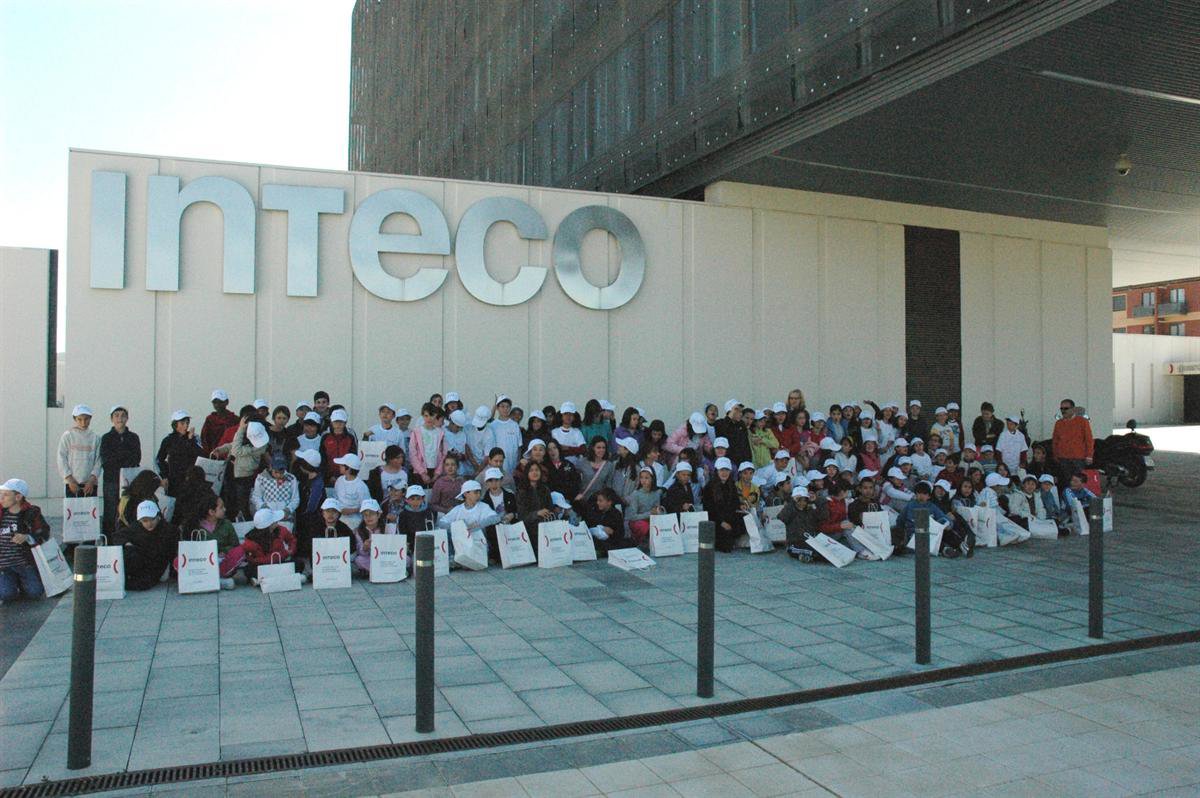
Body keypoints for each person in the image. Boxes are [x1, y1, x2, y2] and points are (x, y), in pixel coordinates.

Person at [0, 478, 50, 602]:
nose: (2, 498)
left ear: (18, 497)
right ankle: (13, 582)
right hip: (4, 566)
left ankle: (22, 581)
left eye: (6, 495)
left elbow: (44, 532)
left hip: (25, 563)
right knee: (6, 595)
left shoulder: (31, 513)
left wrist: (28, 537)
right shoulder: (1, 512)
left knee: (35, 592)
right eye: (1, 494)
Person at [182, 493, 244, 589]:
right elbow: (188, 549)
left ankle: (209, 581)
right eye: (221, 507)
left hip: (221, 561)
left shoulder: (226, 524)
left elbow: (235, 545)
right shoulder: (195, 526)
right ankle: (217, 582)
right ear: (211, 512)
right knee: (178, 561)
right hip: (202, 563)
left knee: (240, 551)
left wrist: (224, 551)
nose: (224, 509)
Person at [115, 500, 176, 591]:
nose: (149, 524)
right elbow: (117, 536)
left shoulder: (168, 530)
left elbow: (173, 550)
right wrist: (127, 543)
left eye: (152, 519)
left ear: (158, 516)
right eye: (145, 521)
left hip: (156, 564)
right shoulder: (136, 528)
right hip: (140, 561)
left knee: (142, 584)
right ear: (140, 521)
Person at [99, 405, 141, 535]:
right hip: (111, 481)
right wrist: (123, 457)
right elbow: (106, 460)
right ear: (111, 419)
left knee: (128, 510)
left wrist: (119, 457)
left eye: (123, 415)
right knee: (110, 512)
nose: (120, 419)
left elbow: (136, 458)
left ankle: (127, 539)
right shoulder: (106, 438)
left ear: (127, 418)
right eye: (116, 416)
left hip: (128, 481)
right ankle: (109, 541)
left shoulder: (133, 437)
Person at [894, 481, 956, 556]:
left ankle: (946, 550)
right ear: (915, 494)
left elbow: (945, 519)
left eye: (924, 494)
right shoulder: (910, 506)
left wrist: (948, 525)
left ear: (929, 496)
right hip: (912, 535)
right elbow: (900, 521)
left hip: (928, 534)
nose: (921, 496)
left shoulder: (932, 507)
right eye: (919, 493)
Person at [226, 419, 270, 520]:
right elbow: (233, 445)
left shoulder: (260, 446)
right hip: (234, 474)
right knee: (232, 503)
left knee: (243, 506)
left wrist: (241, 429)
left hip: (245, 477)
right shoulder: (246, 441)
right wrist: (221, 449)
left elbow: (236, 450)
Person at [241, 508, 299, 583]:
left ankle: (264, 579)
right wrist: (283, 554)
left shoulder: (280, 530)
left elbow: (291, 540)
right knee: (248, 569)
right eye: (275, 521)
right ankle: (279, 576)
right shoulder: (251, 540)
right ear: (269, 525)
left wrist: (291, 550)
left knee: (298, 564)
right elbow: (252, 560)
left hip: (279, 563)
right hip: (263, 567)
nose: (277, 521)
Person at [58, 404, 101, 501]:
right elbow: (61, 458)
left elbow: (99, 460)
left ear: (90, 418)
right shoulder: (68, 436)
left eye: (86, 419)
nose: (83, 422)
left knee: (90, 510)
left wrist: (92, 480)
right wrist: (70, 480)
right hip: (72, 484)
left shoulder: (96, 437)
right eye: (79, 419)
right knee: (72, 510)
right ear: (75, 419)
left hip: (90, 485)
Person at [156, 410, 201, 498]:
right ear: (175, 424)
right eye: (182, 423)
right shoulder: (168, 440)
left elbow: (200, 454)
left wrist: (190, 440)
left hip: (191, 479)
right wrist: (165, 475)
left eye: (187, 423)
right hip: (174, 480)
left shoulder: (194, 437)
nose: (186, 426)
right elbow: (159, 459)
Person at [701, 457, 741, 552]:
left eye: (727, 470)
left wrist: (740, 506)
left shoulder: (732, 486)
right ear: (717, 471)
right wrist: (721, 522)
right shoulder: (709, 487)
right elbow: (709, 509)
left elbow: (735, 504)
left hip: (729, 518)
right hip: (715, 521)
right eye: (722, 470)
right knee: (726, 545)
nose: (724, 473)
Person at [1052, 399, 1094, 486]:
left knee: (1078, 482)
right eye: (1061, 408)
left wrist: (1089, 455)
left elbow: (1089, 440)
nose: (1063, 411)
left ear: (1073, 409)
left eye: (1066, 408)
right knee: (1065, 482)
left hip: (1078, 458)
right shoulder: (1058, 423)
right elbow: (1055, 440)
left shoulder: (1083, 421)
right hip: (1063, 458)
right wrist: (1055, 455)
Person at [250, 454, 301, 520]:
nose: (279, 475)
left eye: (282, 472)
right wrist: (263, 506)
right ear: (270, 467)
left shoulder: (291, 479)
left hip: (286, 516)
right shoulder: (261, 478)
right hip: (268, 516)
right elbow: (256, 497)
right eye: (276, 472)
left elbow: (295, 499)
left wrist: (288, 510)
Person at [778, 483, 819, 561]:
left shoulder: (809, 510)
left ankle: (805, 557)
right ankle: (805, 556)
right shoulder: (790, 510)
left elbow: (822, 516)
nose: (802, 503)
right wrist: (792, 502)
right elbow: (781, 517)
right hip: (794, 544)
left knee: (821, 552)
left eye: (805, 500)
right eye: (799, 500)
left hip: (808, 541)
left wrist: (816, 501)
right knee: (813, 553)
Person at [582, 487, 629, 554]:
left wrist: (612, 532)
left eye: (600, 501)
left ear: (609, 502)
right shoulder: (595, 511)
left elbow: (621, 534)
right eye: (597, 500)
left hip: (610, 542)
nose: (598, 503)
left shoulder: (616, 514)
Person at [624, 467, 663, 545]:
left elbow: (656, 509)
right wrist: (649, 514)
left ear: (652, 479)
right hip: (637, 522)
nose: (643, 480)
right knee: (643, 525)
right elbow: (632, 516)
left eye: (646, 478)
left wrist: (658, 511)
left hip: (652, 520)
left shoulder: (656, 493)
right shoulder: (636, 494)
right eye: (641, 477)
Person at [332, 453, 372, 530]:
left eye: (342, 465)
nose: (339, 466)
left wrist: (351, 511)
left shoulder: (361, 486)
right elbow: (335, 499)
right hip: (339, 520)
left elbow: (367, 506)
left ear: (348, 468)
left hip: (356, 523)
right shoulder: (339, 480)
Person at [486, 395, 523, 475]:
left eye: (507, 407)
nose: (505, 409)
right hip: (497, 467)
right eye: (502, 406)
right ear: (497, 408)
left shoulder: (515, 425)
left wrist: (517, 464)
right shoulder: (492, 426)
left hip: (512, 467)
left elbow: (519, 447)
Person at [319, 409, 359, 484]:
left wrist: (347, 475)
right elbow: (323, 458)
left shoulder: (350, 437)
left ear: (345, 423)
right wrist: (329, 476)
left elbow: (353, 457)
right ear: (331, 422)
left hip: (346, 476)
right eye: (335, 422)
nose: (338, 424)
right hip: (328, 478)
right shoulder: (325, 436)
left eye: (341, 422)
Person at [395, 485, 437, 554]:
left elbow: (430, 530)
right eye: (412, 499)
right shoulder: (402, 515)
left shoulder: (429, 512)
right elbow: (401, 532)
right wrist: (406, 545)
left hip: (424, 545)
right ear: (406, 500)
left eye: (418, 499)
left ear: (423, 499)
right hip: (408, 547)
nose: (415, 502)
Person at [572, 437, 614, 504]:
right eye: (598, 447)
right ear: (593, 448)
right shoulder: (582, 462)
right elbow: (575, 481)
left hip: (598, 502)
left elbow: (608, 485)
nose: (601, 450)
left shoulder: (609, 465)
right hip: (582, 499)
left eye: (604, 448)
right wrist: (577, 494)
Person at [352, 499, 385, 577]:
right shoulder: (359, 531)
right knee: (359, 560)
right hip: (370, 559)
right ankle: (385, 571)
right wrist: (365, 548)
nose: (368, 517)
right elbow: (361, 553)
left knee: (407, 559)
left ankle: (375, 571)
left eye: (372, 514)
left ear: (378, 515)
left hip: (386, 558)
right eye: (365, 515)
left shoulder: (387, 528)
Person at [200, 389, 239, 456]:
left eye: (220, 402)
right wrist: (209, 454)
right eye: (215, 402)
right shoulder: (210, 419)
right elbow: (204, 439)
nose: (217, 405)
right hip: (213, 455)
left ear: (226, 402)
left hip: (230, 455)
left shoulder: (235, 419)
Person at [713, 400, 751, 466]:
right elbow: (722, 436)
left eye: (741, 411)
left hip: (742, 462)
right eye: (737, 410)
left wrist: (749, 461)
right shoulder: (720, 423)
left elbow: (746, 445)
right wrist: (730, 415)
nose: (741, 414)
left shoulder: (741, 424)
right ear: (730, 411)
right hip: (727, 462)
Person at [443, 410, 472, 476]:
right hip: (446, 472)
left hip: (460, 472)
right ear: (451, 423)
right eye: (457, 427)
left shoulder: (462, 435)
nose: (459, 429)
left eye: (461, 428)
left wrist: (461, 456)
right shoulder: (443, 432)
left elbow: (465, 456)